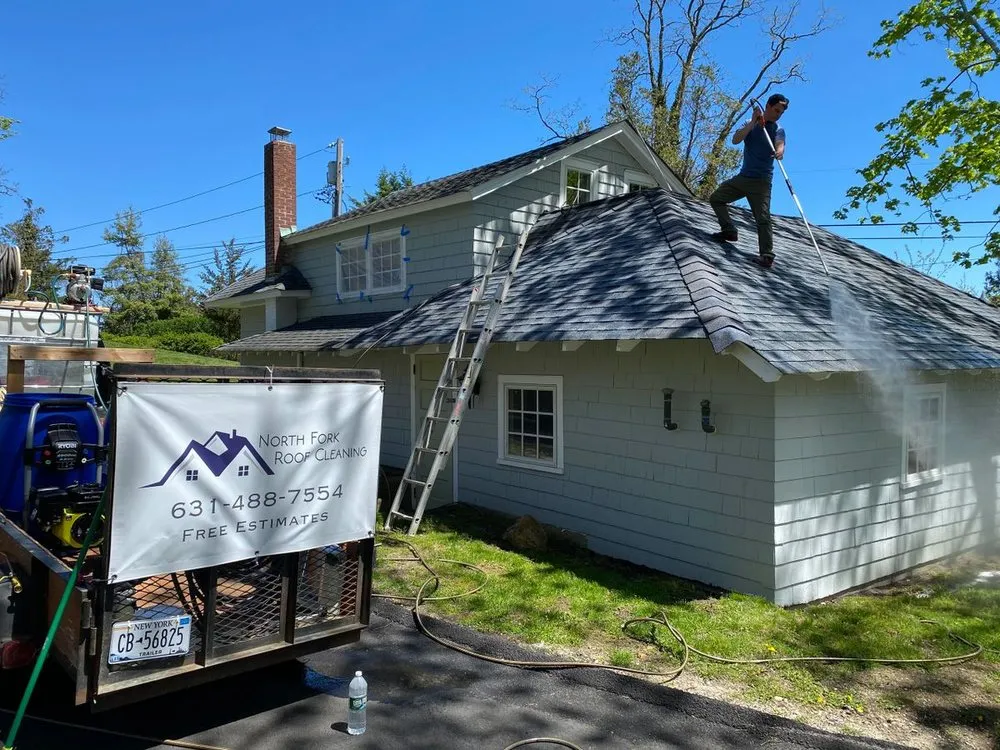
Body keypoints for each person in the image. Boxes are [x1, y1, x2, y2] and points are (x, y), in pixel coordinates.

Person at [709, 93, 788, 269]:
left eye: (780, 113)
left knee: (763, 218)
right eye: (776, 110)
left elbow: (780, 145)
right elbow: (735, 140)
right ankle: (729, 231)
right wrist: (753, 122)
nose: (777, 115)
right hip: (744, 178)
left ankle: (766, 255)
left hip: (762, 182)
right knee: (716, 198)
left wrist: (779, 151)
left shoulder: (778, 130)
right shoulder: (749, 123)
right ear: (767, 106)